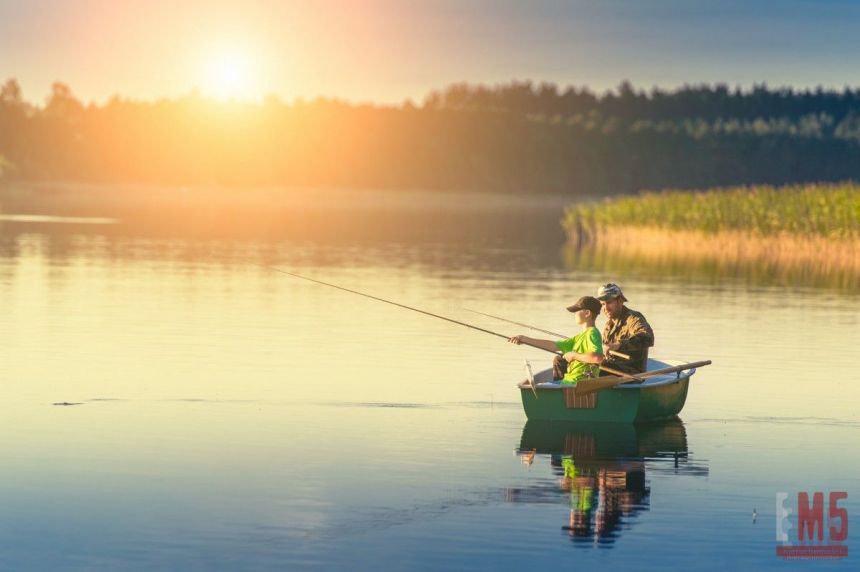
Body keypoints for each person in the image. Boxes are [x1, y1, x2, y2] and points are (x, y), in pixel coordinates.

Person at [509, 296, 603, 384]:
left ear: (587, 313)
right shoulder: (578, 337)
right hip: (569, 381)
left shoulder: (593, 333)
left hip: (577, 384)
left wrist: (574, 355)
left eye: (576, 310)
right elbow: (552, 345)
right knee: (545, 384)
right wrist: (524, 339)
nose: (574, 314)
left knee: (543, 386)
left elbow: (597, 358)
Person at [596, 283, 654, 374]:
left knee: (598, 365)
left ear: (620, 301)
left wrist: (617, 345)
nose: (606, 308)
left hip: (632, 372)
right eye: (603, 304)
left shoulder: (633, 318)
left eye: (609, 303)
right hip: (611, 368)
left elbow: (647, 337)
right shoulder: (609, 324)